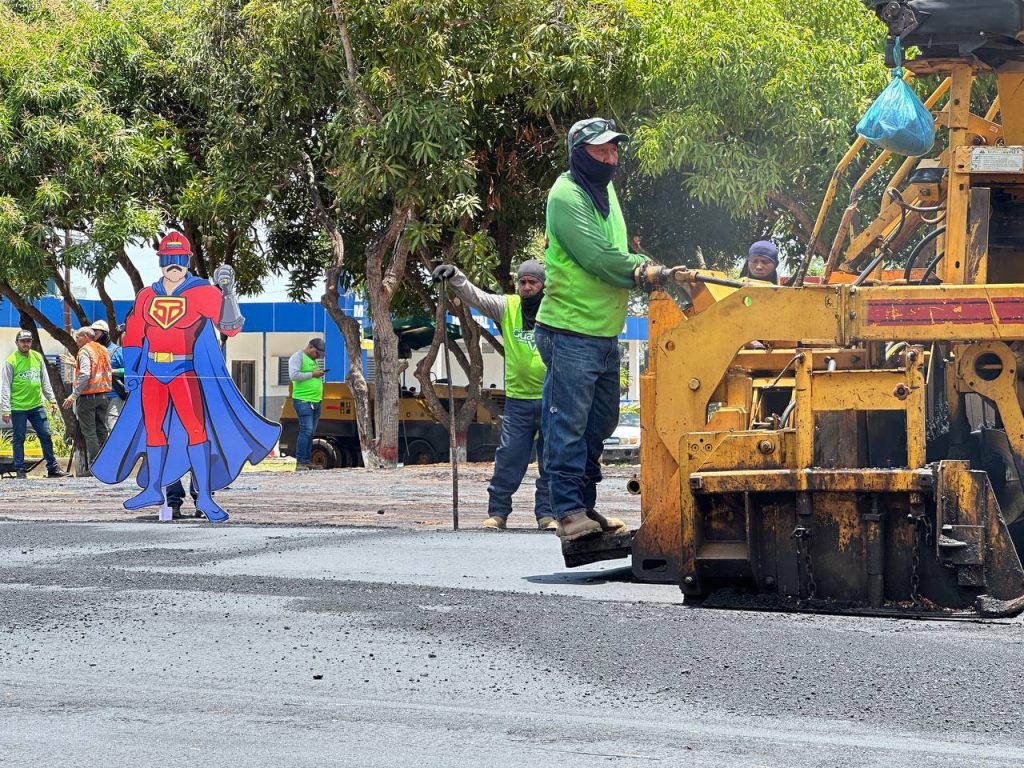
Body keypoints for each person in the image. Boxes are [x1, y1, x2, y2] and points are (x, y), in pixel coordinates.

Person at [91, 230, 281, 523]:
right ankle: (154, 488)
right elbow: (134, 336)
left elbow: (229, 327)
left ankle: (204, 496)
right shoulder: (147, 296)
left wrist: (228, 294)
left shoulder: (202, 291)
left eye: (179, 258)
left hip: (185, 372)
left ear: (187, 260)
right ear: (161, 261)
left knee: (196, 430)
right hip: (153, 372)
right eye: (169, 258)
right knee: (154, 430)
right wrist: (132, 370)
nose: (174, 264)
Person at [535, 116, 649, 541]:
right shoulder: (566, 195)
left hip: (603, 330)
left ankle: (585, 505)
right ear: (578, 153)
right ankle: (565, 512)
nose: (610, 157)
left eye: (614, 150)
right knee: (567, 424)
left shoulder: (604, 190)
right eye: (600, 151)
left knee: (599, 425)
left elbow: (615, 249)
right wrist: (645, 272)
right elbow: (599, 259)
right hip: (570, 329)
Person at [431, 259, 554, 531]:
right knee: (509, 456)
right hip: (519, 401)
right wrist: (455, 276)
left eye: (533, 282)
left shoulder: (555, 308)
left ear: (543, 285)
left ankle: (547, 515)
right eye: (522, 282)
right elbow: (477, 297)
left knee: (552, 460)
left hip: (552, 398)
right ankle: (498, 513)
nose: (527, 287)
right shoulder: (508, 306)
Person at [0, 330, 67, 479]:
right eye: (23, 341)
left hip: (37, 406)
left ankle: (52, 468)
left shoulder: (37, 357)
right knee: (19, 438)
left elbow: (45, 381)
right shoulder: (11, 361)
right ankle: (20, 470)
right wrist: (5, 410)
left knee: (46, 435)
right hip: (18, 408)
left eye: (28, 341)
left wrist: (52, 400)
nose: (26, 344)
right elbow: (5, 386)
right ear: (17, 342)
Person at [62, 326, 112, 474]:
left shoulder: (84, 351)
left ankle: (95, 466)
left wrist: (74, 395)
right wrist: (74, 363)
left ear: (85, 337)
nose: (76, 340)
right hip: (103, 395)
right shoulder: (102, 349)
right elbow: (98, 369)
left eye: (78, 337)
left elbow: (85, 373)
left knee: (90, 432)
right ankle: (106, 464)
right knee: (102, 430)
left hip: (88, 396)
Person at [289, 338, 326, 471]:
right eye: (317, 353)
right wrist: (313, 374)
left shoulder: (312, 360)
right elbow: (294, 375)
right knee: (306, 430)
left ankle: (307, 460)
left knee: (311, 432)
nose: (318, 357)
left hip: (315, 400)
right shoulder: (297, 357)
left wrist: (317, 374)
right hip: (303, 400)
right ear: (310, 347)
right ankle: (301, 461)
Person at [91, 319, 126, 429]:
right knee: (100, 430)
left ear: (105, 334)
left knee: (112, 426)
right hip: (96, 397)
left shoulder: (117, 351)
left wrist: (113, 371)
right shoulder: (91, 352)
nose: (94, 337)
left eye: (96, 333)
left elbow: (130, 371)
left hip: (114, 396)